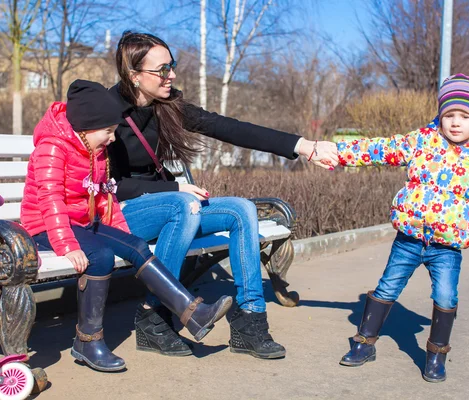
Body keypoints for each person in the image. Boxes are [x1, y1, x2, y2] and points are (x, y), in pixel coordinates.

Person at [106, 31, 338, 360]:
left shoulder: (166, 106)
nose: (171, 75)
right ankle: (154, 317)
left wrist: (304, 147)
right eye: (162, 69)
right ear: (133, 74)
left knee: (240, 210)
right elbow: (108, 185)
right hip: (122, 214)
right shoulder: (106, 112)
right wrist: (172, 188)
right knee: (182, 203)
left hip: (171, 209)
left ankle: (250, 321)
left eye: (172, 66)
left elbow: (229, 127)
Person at [20, 80, 232, 372]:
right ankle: (87, 341)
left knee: (136, 245)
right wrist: (66, 245)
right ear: (86, 126)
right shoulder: (53, 148)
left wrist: (123, 236)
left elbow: (105, 196)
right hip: (45, 226)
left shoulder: (94, 150)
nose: (112, 138)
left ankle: (192, 313)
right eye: (108, 131)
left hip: (82, 222)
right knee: (101, 256)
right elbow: (50, 200)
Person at [331, 74, 469, 382]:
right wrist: (337, 153)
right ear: (440, 115)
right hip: (409, 239)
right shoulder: (422, 141)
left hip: (447, 247)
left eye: (465, 116)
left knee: (446, 296)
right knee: (387, 287)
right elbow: (381, 149)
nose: (455, 123)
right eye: (449, 115)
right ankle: (364, 343)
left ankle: (436, 354)